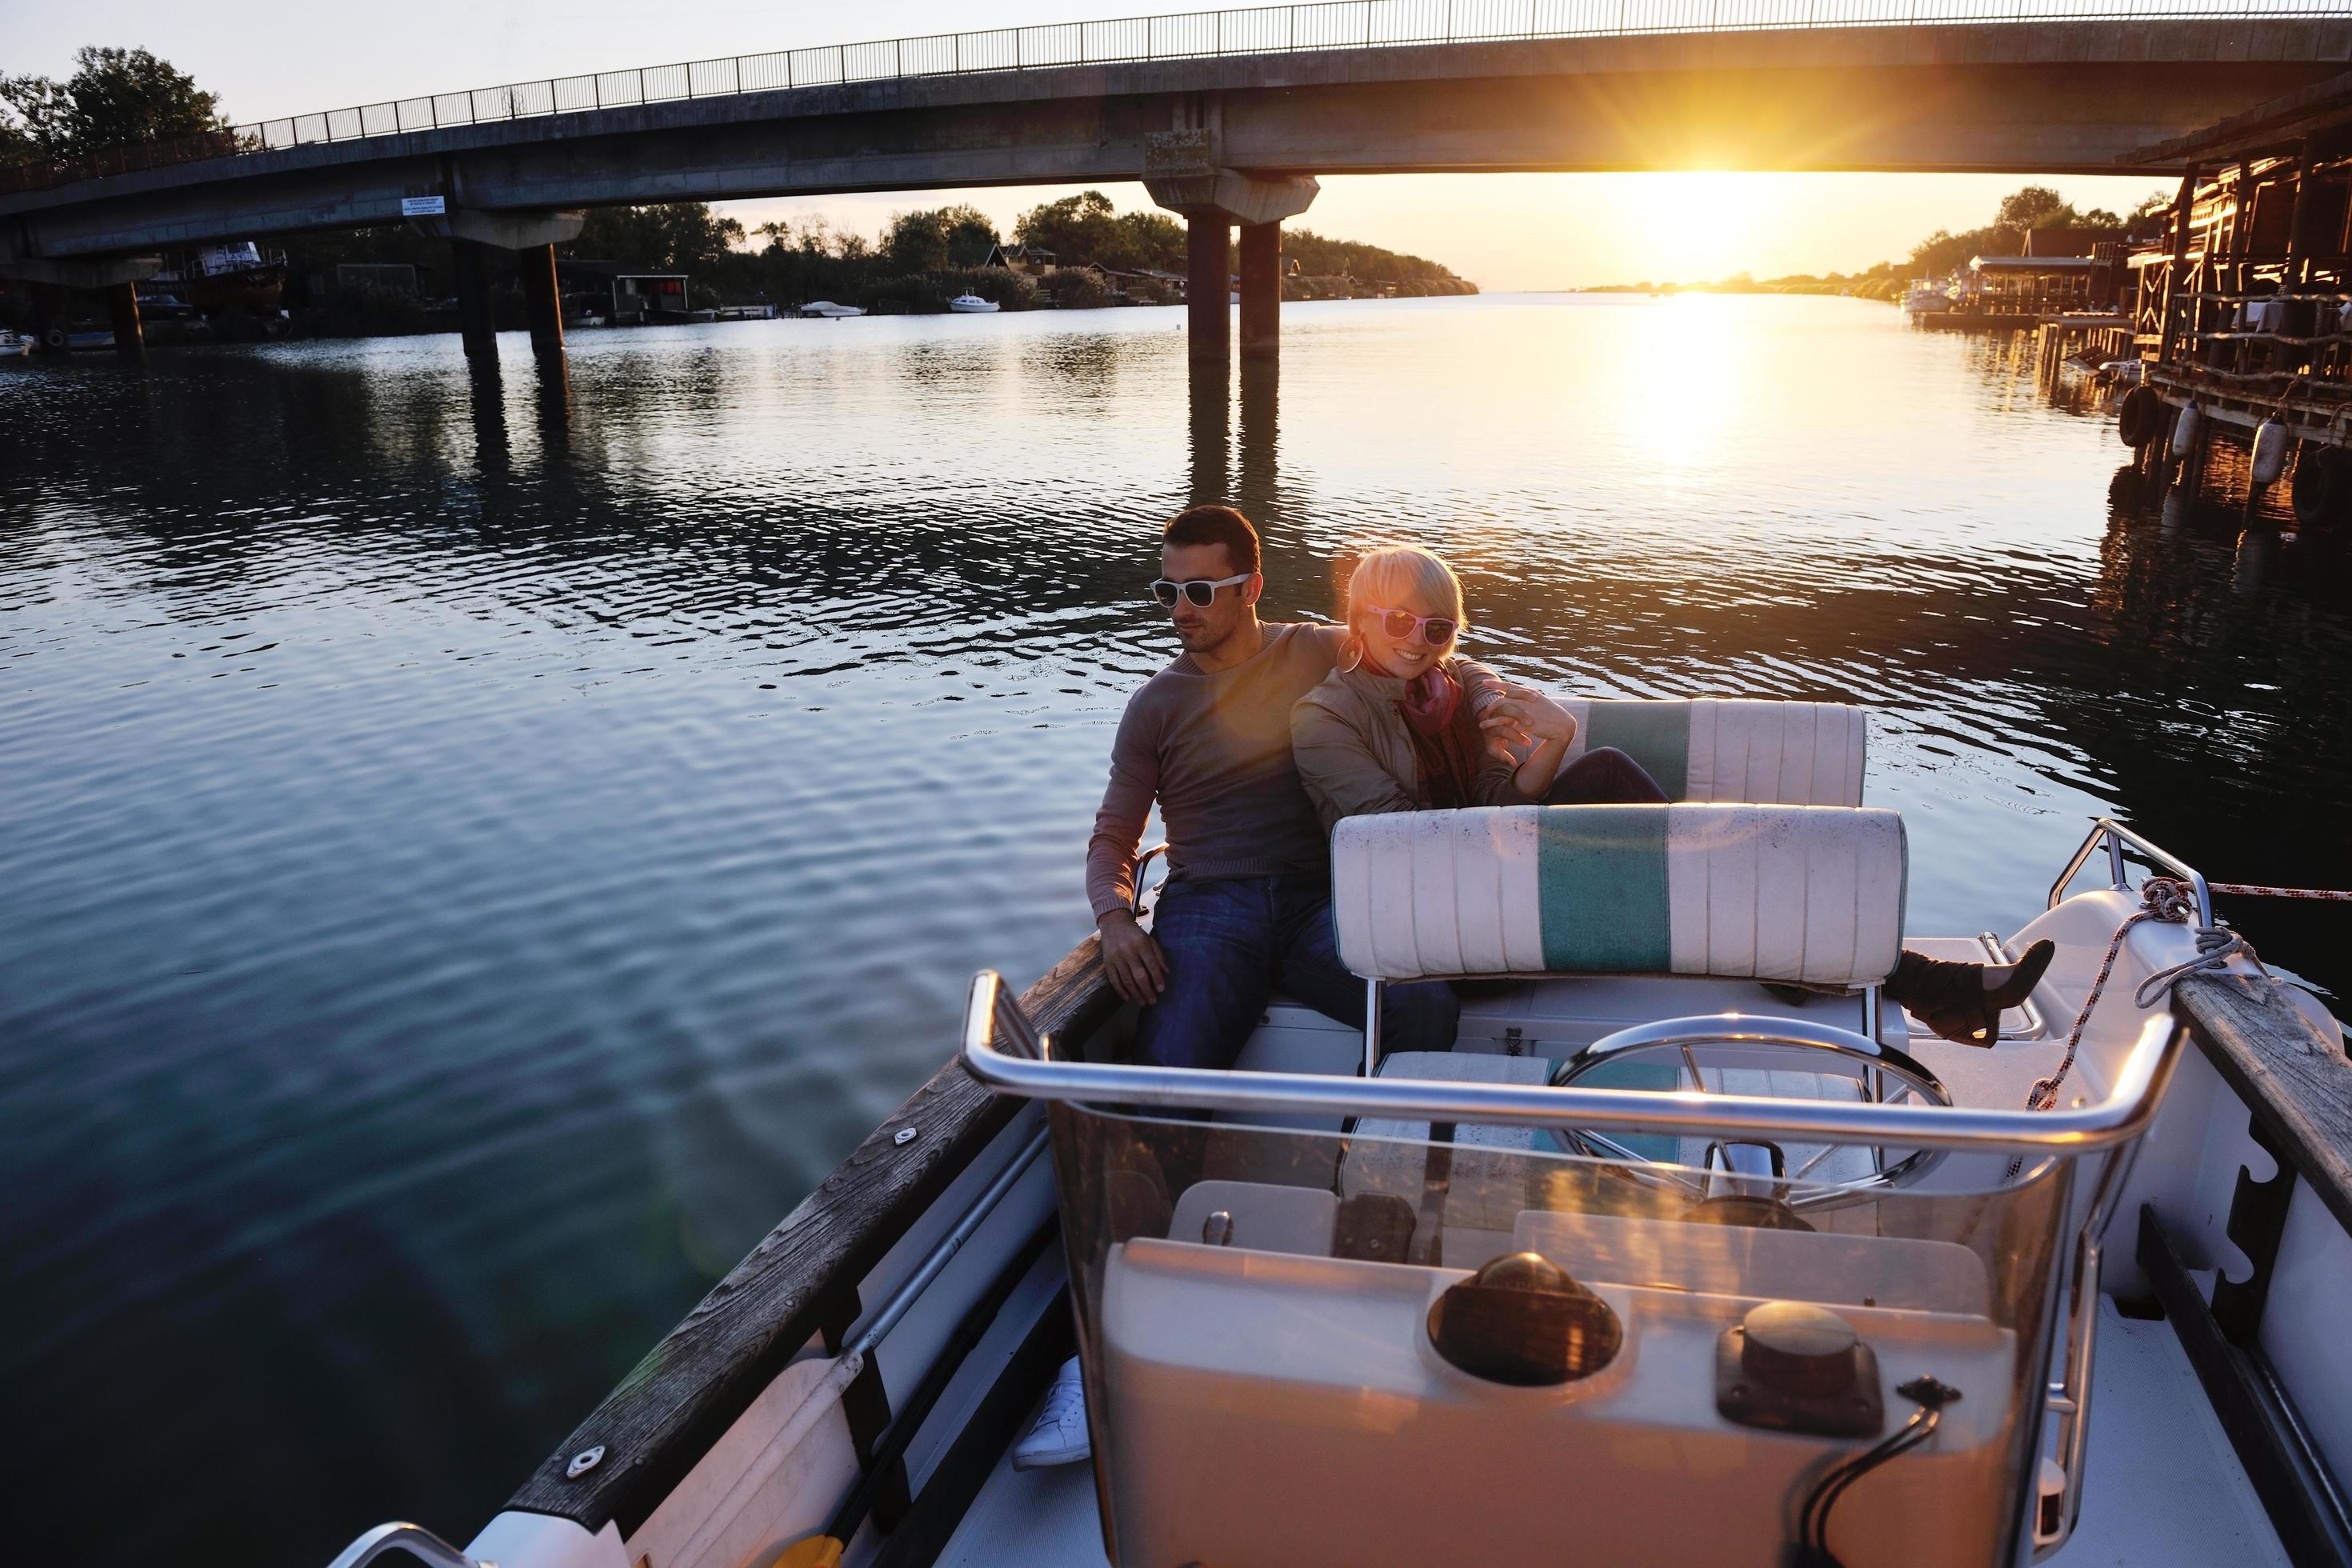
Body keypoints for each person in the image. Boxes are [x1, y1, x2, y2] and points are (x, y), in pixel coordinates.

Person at [1017, 509, 1463, 1474]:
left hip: (1315, 901)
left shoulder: (1314, 653)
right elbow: (1113, 839)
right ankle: (1088, 1352)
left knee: (1429, 1009)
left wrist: (1473, 703)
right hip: (1210, 905)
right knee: (1163, 1080)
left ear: (1252, 587)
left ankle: (1399, 1255)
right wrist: (1118, 920)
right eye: (1167, 590)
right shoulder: (1156, 705)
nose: (1180, 608)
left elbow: (1418, 645)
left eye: (1201, 590)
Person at [1289, 545, 2052, 1047]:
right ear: (1358, 618)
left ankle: (1862, 965)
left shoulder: (1449, 687)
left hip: (1485, 869)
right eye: (1398, 621)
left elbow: (1493, 791)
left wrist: (1552, 740)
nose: (1419, 638)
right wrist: (1539, 842)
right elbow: (1401, 844)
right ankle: (1892, 976)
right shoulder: (1325, 718)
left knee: (1610, 771)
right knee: (1660, 848)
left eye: (1439, 625)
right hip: (1428, 914)